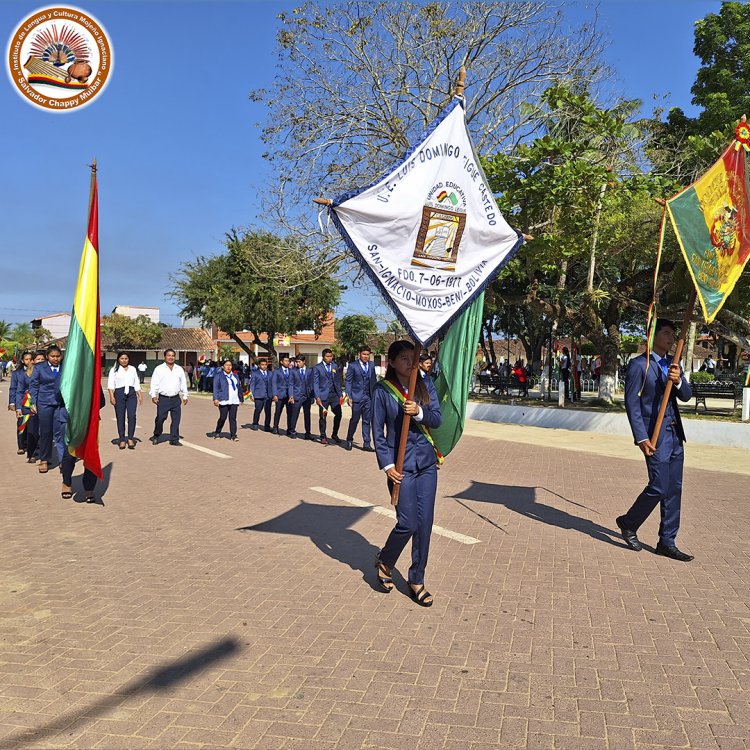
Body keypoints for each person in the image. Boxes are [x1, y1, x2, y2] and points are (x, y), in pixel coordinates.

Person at [616, 318, 694, 562]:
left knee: (674, 489)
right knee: (659, 485)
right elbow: (632, 403)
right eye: (667, 333)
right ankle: (629, 522)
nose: (672, 339)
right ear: (654, 336)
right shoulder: (640, 365)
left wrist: (678, 380)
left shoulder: (674, 364)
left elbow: (687, 395)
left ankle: (667, 541)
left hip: (674, 434)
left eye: (673, 334)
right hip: (654, 435)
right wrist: (641, 437)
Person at [372, 340, 442, 607]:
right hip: (400, 466)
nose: (410, 363)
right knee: (407, 523)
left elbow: (437, 418)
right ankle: (386, 560)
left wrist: (420, 412)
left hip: (425, 463)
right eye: (403, 358)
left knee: (425, 524)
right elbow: (377, 432)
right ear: (391, 362)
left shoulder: (425, 385)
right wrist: (387, 466)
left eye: (413, 358)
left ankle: (417, 579)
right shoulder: (383, 391)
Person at [58, 387, 105, 502]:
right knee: (69, 454)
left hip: (89, 421)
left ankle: (89, 488)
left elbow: (102, 401)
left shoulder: (92, 377)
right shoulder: (66, 373)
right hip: (70, 419)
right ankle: (67, 483)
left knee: (90, 452)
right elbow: (57, 396)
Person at [29, 345, 64, 473]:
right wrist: (33, 402)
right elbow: (34, 385)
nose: (55, 359)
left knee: (60, 432)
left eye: (57, 356)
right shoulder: (39, 368)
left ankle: (62, 460)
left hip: (60, 404)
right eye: (52, 356)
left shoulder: (65, 367)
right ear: (47, 357)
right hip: (44, 403)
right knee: (45, 432)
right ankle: (44, 459)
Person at [149, 349, 188, 447]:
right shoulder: (159, 369)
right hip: (163, 399)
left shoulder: (179, 369)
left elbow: (183, 383)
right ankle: (156, 435)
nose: (171, 357)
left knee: (176, 419)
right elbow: (154, 383)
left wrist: (185, 395)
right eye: (169, 355)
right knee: (160, 418)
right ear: (165, 357)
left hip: (175, 399)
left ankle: (174, 439)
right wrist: (153, 395)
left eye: (173, 355)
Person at [344, 345, 377, 451]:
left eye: (368, 354)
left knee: (367, 420)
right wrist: (349, 396)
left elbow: (374, 380)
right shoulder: (353, 366)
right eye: (364, 354)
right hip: (356, 397)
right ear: (359, 354)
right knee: (355, 419)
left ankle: (367, 443)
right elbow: (348, 381)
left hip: (368, 397)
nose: (366, 356)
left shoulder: (371, 365)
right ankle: (349, 439)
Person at [107, 352, 142, 450]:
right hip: (119, 394)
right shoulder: (114, 370)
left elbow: (136, 383)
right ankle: (122, 439)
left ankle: (130, 438)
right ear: (118, 359)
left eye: (126, 358)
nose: (124, 360)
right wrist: (111, 397)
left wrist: (139, 395)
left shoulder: (132, 369)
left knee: (132, 416)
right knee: (120, 417)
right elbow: (110, 385)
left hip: (131, 394)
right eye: (122, 358)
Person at [313, 348, 342, 446]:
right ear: (323, 357)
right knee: (323, 417)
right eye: (327, 356)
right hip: (323, 395)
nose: (329, 358)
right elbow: (315, 383)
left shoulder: (335, 366)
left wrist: (340, 394)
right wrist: (317, 396)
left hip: (334, 395)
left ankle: (334, 434)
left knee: (339, 414)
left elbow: (338, 380)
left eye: (331, 356)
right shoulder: (317, 368)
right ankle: (323, 436)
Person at [211, 359, 243, 440]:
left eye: (230, 365)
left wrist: (241, 398)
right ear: (223, 366)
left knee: (233, 418)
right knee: (223, 417)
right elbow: (216, 388)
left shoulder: (235, 376)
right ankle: (218, 431)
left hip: (234, 400)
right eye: (226, 365)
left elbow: (238, 387)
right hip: (223, 399)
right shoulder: (219, 376)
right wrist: (215, 399)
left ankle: (233, 435)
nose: (228, 367)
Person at [8, 351, 33, 456]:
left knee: (33, 424)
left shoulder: (37, 371)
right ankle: (21, 446)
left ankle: (33, 443)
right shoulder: (17, 373)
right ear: (23, 361)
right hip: (21, 401)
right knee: (22, 423)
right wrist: (12, 403)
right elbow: (13, 388)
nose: (29, 361)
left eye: (31, 359)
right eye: (26, 359)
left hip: (33, 402)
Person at [290, 355, 314, 440]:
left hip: (307, 396)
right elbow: (291, 384)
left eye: (299, 362)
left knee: (307, 415)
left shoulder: (310, 370)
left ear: (304, 361)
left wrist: (313, 396)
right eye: (296, 362)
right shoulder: (293, 371)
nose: (297, 363)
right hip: (297, 396)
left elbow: (312, 383)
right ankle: (292, 431)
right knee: (294, 414)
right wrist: (291, 396)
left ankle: (308, 433)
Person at [271, 354, 295, 436]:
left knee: (290, 413)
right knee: (278, 411)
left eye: (288, 361)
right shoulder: (277, 371)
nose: (287, 362)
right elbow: (274, 383)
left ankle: (289, 429)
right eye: (285, 361)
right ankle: (275, 427)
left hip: (289, 396)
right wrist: (275, 394)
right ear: (281, 362)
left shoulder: (292, 371)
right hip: (280, 395)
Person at [249, 359, 273, 431]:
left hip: (268, 395)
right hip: (258, 394)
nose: (264, 366)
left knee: (268, 411)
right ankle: (255, 423)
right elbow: (252, 384)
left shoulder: (270, 373)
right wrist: (251, 394)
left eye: (265, 364)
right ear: (259, 365)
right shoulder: (255, 373)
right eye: (262, 364)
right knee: (258, 410)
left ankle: (267, 426)